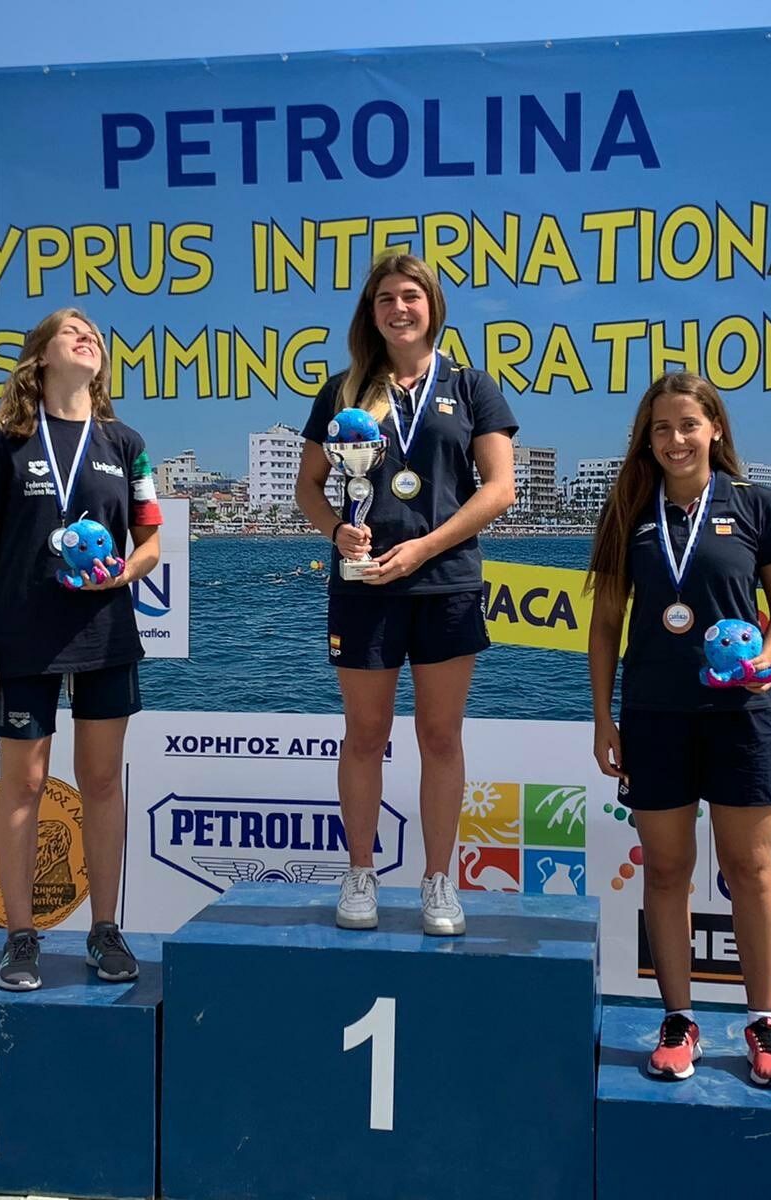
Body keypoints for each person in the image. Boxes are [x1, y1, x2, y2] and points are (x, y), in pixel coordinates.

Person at [587, 371, 771, 1088]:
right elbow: (606, 625)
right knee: (667, 870)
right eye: (661, 428)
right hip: (654, 716)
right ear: (646, 440)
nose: (675, 439)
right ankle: (678, 1020)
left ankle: (764, 1023)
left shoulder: (755, 503)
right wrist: (603, 717)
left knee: (751, 869)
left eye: (687, 424)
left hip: (741, 714)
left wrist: (767, 661)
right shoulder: (628, 509)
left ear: (715, 428)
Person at [295, 253, 517, 936]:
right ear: (371, 313)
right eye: (385, 298)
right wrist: (336, 531)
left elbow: (500, 489)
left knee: (440, 736)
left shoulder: (472, 386)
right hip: (364, 584)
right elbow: (308, 487)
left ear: (432, 306)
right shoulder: (342, 391)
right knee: (365, 735)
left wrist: (424, 547)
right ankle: (360, 873)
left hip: (446, 583)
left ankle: (438, 880)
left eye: (411, 296)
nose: (399, 308)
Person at [0, 307, 163, 991]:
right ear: (41, 355)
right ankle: (21, 936)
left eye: (95, 335)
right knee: (23, 785)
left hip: (105, 633)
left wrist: (122, 574)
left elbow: (150, 543)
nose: (89, 338)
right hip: (23, 638)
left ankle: (105, 930)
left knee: (101, 783)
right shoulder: (3, 439)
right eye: (72, 332)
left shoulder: (126, 442)